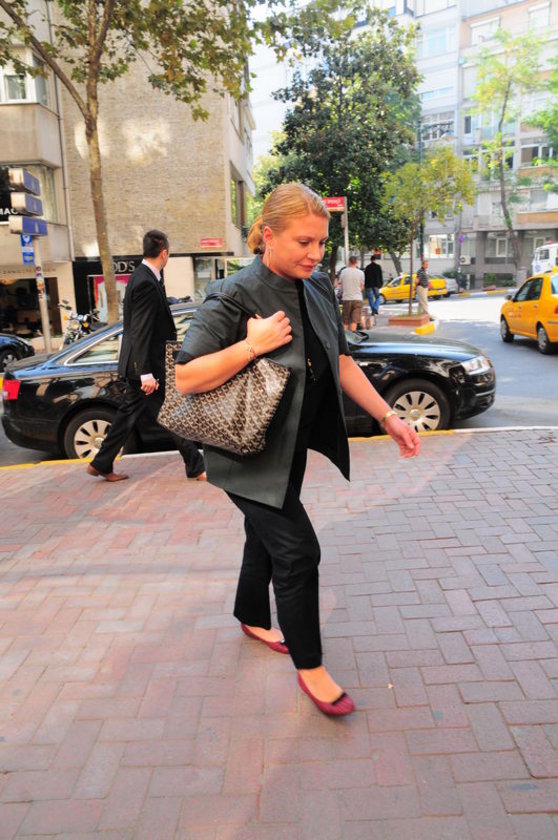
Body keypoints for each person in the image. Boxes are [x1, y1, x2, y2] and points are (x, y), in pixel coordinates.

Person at [174, 183, 420, 716]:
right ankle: (312, 668)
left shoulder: (317, 286)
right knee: (298, 551)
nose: (315, 253)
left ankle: (251, 615)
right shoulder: (234, 294)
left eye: (321, 243)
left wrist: (388, 417)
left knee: (263, 536)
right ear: (269, 235)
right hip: (245, 454)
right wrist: (252, 345)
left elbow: (341, 361)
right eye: (303, 242)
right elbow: (187, 376)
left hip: (289, 448)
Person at [87, 229, 205, 482]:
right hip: (145, 367)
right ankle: (196, 466)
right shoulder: (145, 282)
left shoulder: (144, 277)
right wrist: (145, 373)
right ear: (164, 253)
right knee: (170, 413)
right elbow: (140, 330)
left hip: (139, 365)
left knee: (128, 414)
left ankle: (101, 462)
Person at [338, 255, 364, 331]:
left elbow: (341, 286)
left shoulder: (343, 272)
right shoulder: (361, 273)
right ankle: (353, 335)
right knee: (354, 321)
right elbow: (362, 287)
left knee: (345, 320)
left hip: (346, 298)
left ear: (349, 262)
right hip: (357, 299)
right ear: (356, 262)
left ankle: (345, 336)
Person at [364, 254, 383, 319]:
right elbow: (380, 276)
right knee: (377, 297)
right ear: (375, 259)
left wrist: (365, 285)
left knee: (370, 298)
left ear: (370, 260)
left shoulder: (367, 267)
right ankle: (375, 308)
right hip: (376, 285)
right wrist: (381, 284)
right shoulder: (378, 267)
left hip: (369, 285)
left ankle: (373, 310)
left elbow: (365, 277)